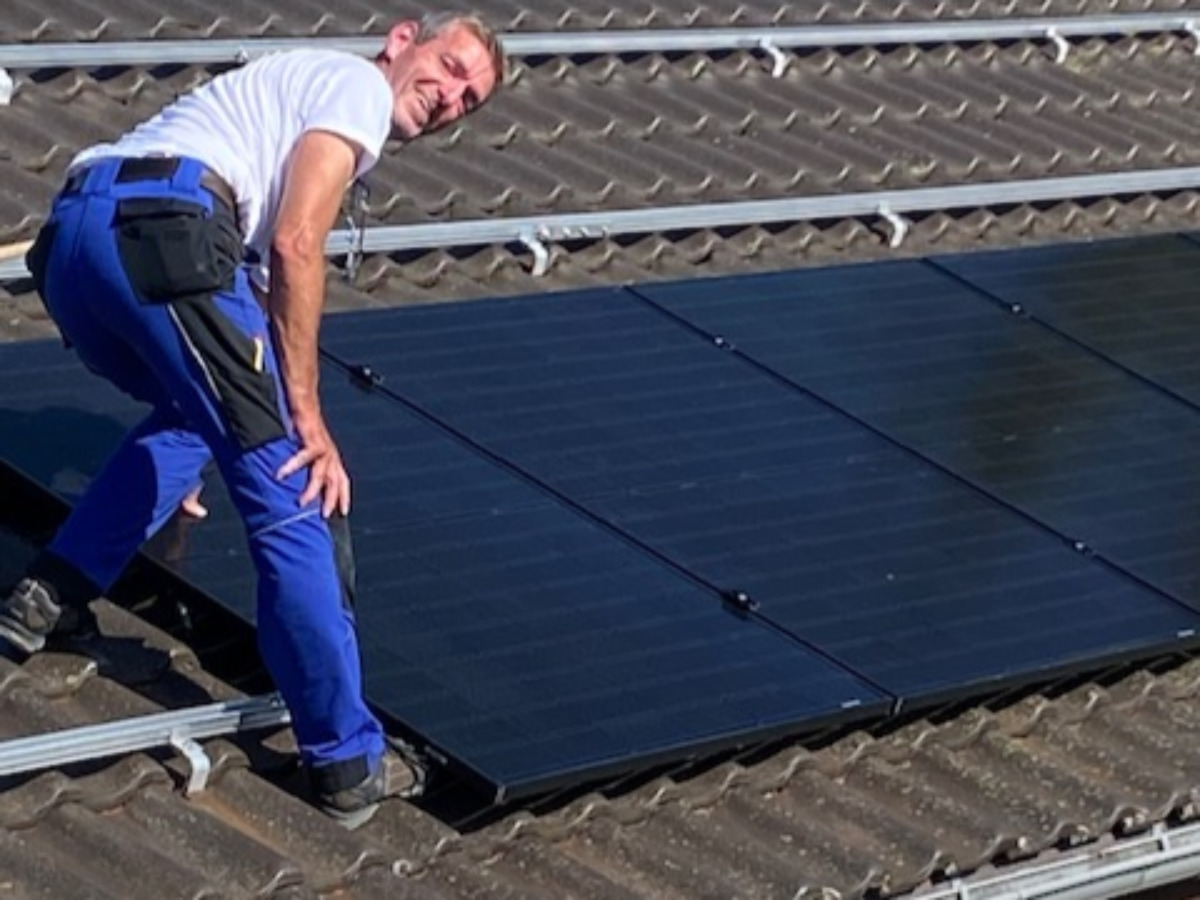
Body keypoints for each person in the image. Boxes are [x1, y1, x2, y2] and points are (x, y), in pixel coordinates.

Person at [0, 12, 505, 828]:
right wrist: (309, 418)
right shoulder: (355, 88)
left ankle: (50, 594)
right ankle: (345, 759)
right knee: (292, 485)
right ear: (402, 39)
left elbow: (259, 313)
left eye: (469, 99)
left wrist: (246, 412)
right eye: (450, 68)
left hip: (75, 245)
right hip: (167, 229)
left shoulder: (285, 96)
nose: (451, 98)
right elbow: (299, 244)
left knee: (198, 415)